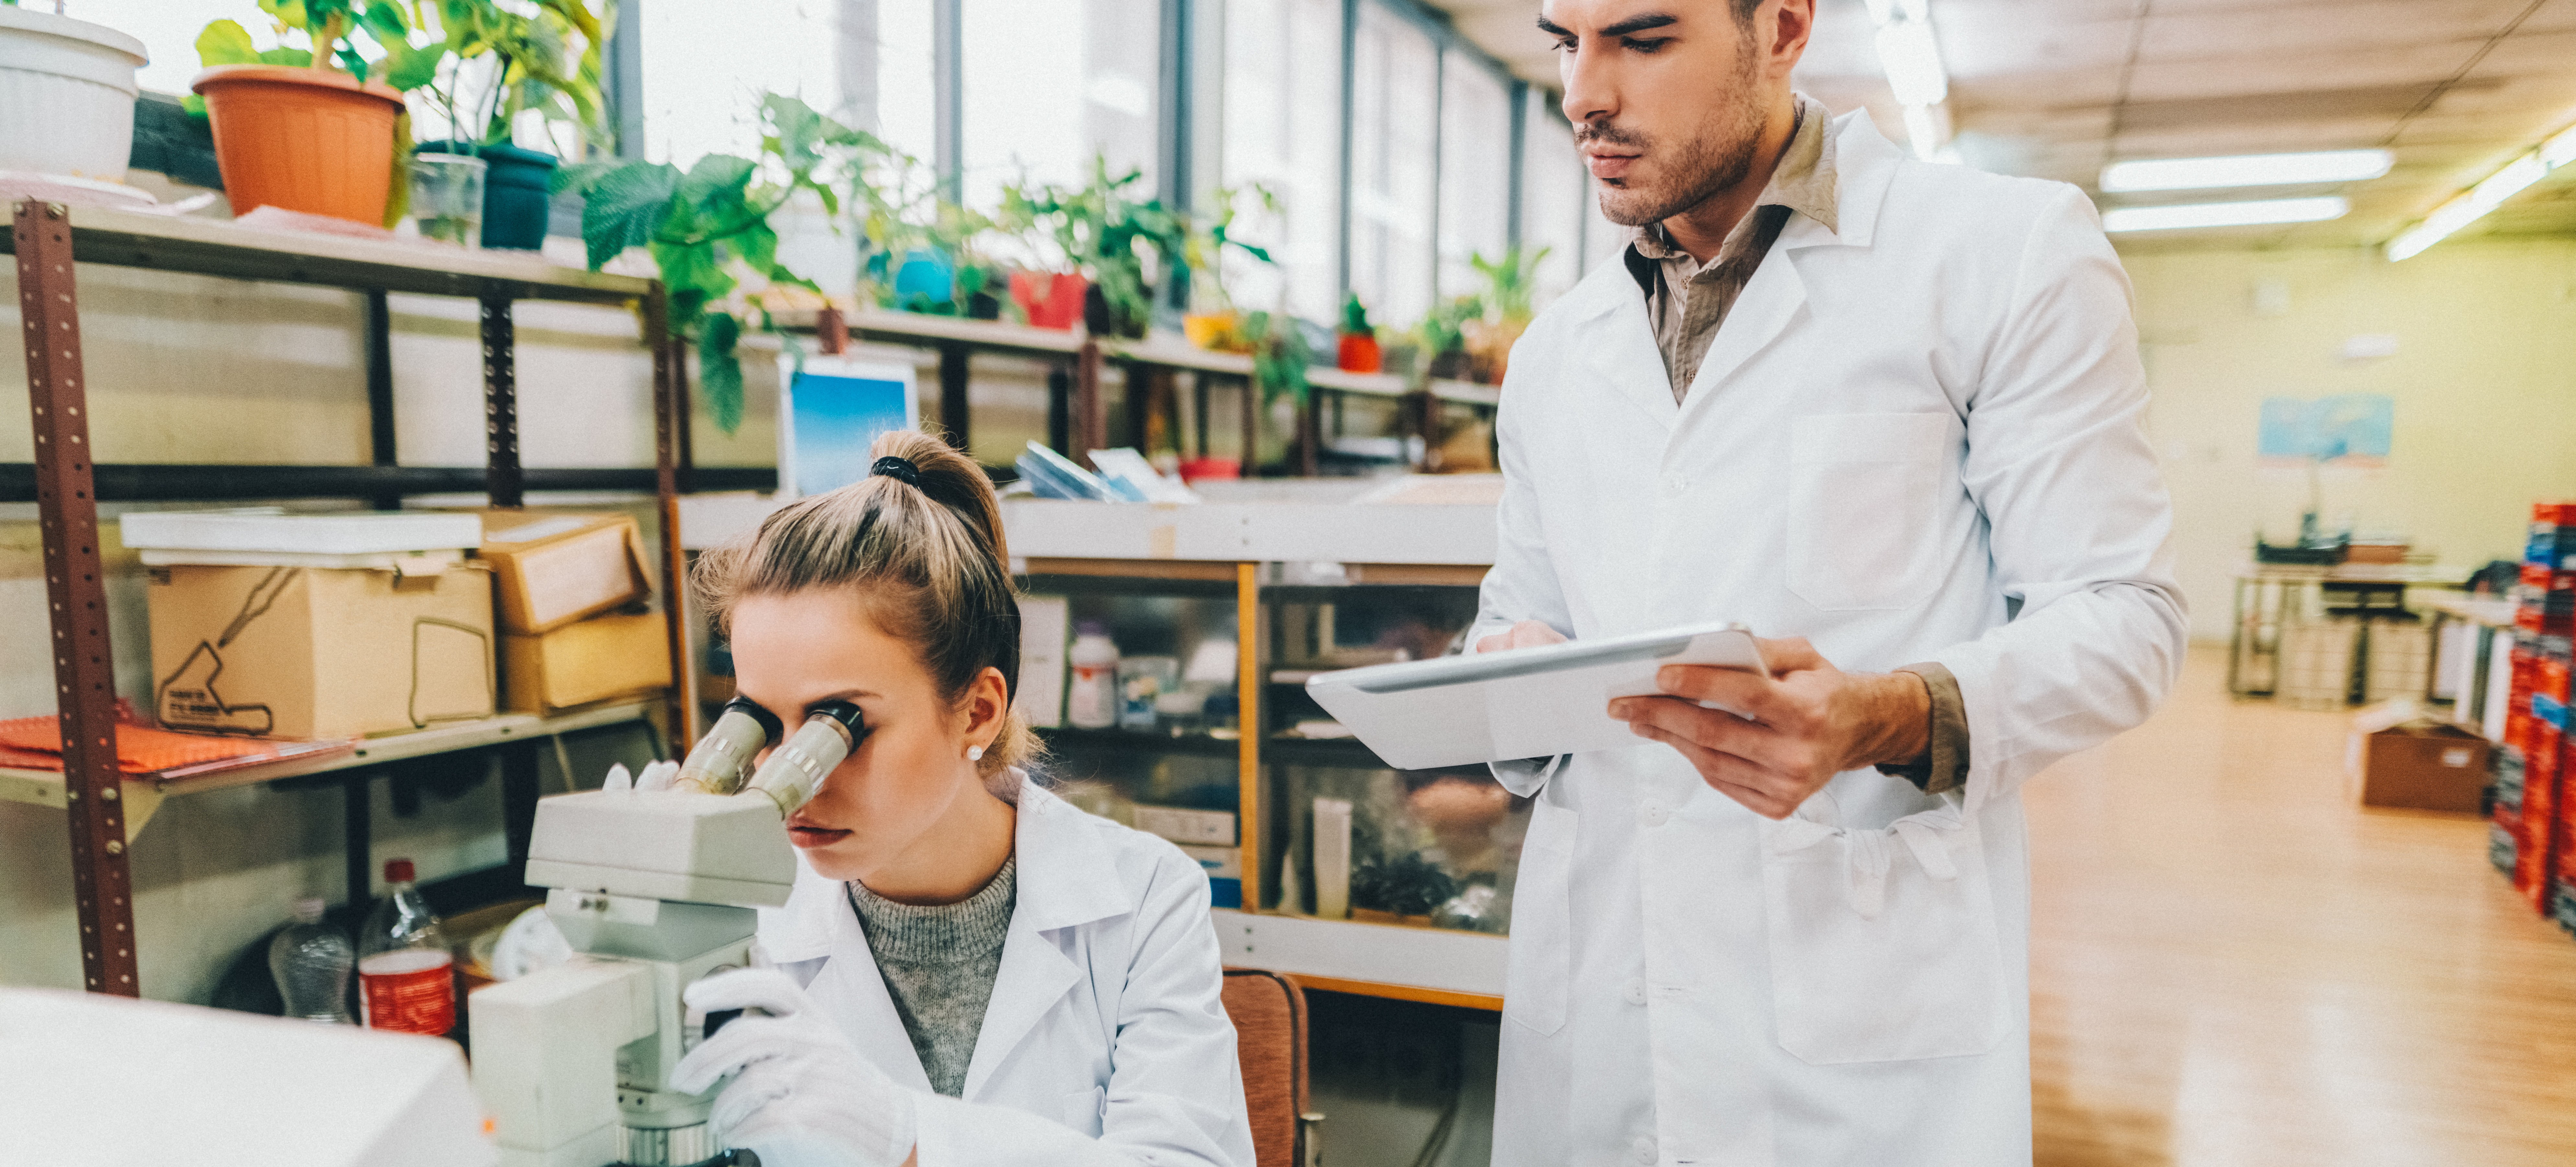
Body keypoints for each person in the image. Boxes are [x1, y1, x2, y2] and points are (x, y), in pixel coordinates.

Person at [1474, 1, 2186, 1163]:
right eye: (1567, 41)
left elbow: (2124, 617)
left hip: (1857, 1013)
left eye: (1642, 41)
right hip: (1603, 994)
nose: (1582, 95)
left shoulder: (2000, 251)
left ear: (1786, 28)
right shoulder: (1557, 353)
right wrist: (1506, 670)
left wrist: (1888, 714)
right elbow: (1521, 610)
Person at [671, 431, 1256, 1167]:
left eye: (836, 726)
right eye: (758, 719)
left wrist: (910, 1139)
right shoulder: (735, 918)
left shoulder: (1142, 900)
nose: (790, 776)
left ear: (977, 711)